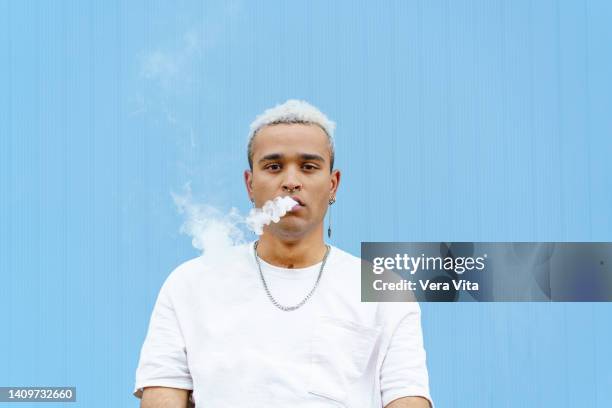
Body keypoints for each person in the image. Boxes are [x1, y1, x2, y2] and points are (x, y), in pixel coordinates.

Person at [133, 100, 434, 407]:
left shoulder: (383, 289)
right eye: (273, 166)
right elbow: (162, 397)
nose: (291, 182)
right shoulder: (190, 283)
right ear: (250, 185)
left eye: (309, 167)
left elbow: (407, 398)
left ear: (333, 185)